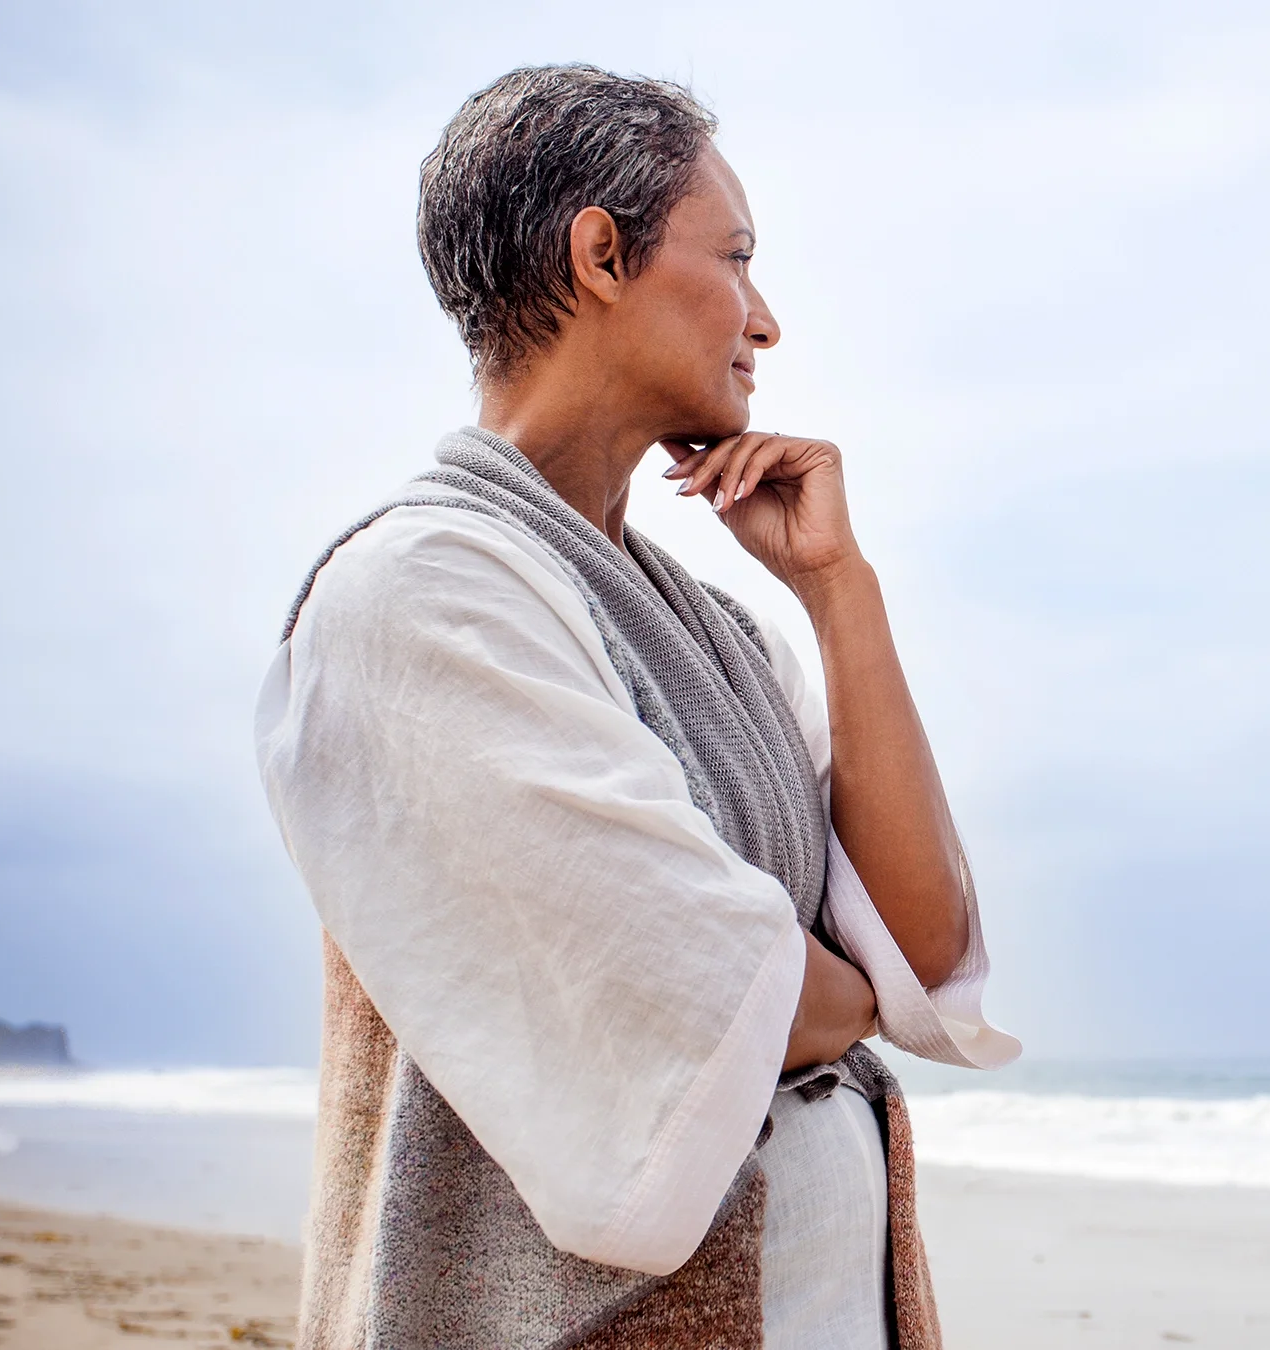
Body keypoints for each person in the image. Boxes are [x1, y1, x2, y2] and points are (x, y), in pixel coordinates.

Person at [255, 64, 1017, 1350]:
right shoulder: (418, 592)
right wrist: (824, 981)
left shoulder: (726, 631)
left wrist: (839, 592)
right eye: (735, 256)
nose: (765, 320)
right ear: (601, 254)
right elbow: (732, 1003)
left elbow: (924, 964)